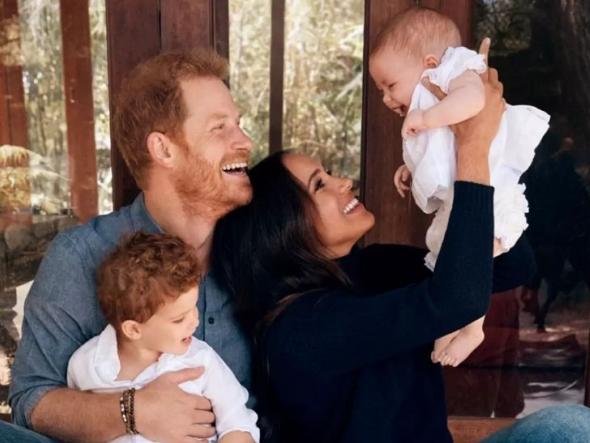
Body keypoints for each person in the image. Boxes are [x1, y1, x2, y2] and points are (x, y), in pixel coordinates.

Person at [210, 43, 590, 442]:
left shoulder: (375, 267)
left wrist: (451, 177)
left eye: (329, 173)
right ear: (282, 228)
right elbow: (457, 300)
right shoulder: (300, 329)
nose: (344, 182)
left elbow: (513, 266)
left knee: (568, 428)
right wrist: (471, 149)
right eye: (319, 184)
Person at [6, 49, 254, 442]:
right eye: (219, 127)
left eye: (239, 124)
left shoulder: (255, 250)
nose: (244, 140)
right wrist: (131, 410)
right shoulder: (80, 257)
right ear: (164, 149)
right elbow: (29, 400)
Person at [368, 7, 550, 366]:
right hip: (465, 191)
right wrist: (410, 168)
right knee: (448, 255)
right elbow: (443, 149)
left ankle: (472, 327)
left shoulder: (457, 71)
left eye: (390, 86)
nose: (388, 99)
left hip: (491, 190)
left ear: (430, 62)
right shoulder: (431, 97)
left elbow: (474, 102)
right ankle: (453, 322)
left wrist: (427, 117)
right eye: (380, 91)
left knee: (472, 256)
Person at [67, 232, 259, 443]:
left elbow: (236, 420)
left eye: (194, 307)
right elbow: (76, 428)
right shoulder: (85, 365)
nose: (195, 321)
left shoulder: (200, 360)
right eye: (179, 319)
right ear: (133, 330)